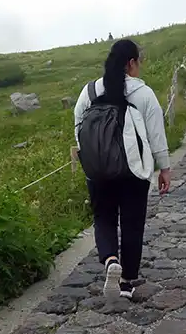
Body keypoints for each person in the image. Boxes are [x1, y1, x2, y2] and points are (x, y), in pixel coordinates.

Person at [73, 40, 172, 300]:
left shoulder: (90, 91)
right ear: (131, 63)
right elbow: (156, 135)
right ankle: (127, 281)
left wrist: (91, 159)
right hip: (133, 169)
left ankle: (109, 260)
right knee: (132, 223)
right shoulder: (143, 93)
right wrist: (164, 168)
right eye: (139, 61)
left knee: (103, 217)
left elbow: (79, 128)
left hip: (98, 170)